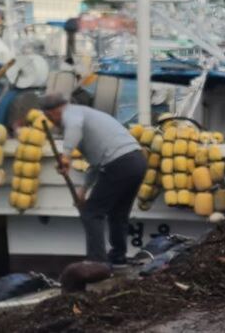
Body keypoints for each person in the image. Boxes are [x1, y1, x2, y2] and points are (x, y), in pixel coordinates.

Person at [41, 94, 146, 266]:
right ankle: (118, 258)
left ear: (53, 112)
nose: (52, 122)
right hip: (136, 161)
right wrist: (83, 191)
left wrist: (66, 156)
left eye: (49, 117)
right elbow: (96, 164)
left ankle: (96, 262)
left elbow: (74, 126)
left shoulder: (72, 114)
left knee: (91, 212)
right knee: (118, 214)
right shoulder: (87, 115)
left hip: (119, 163)